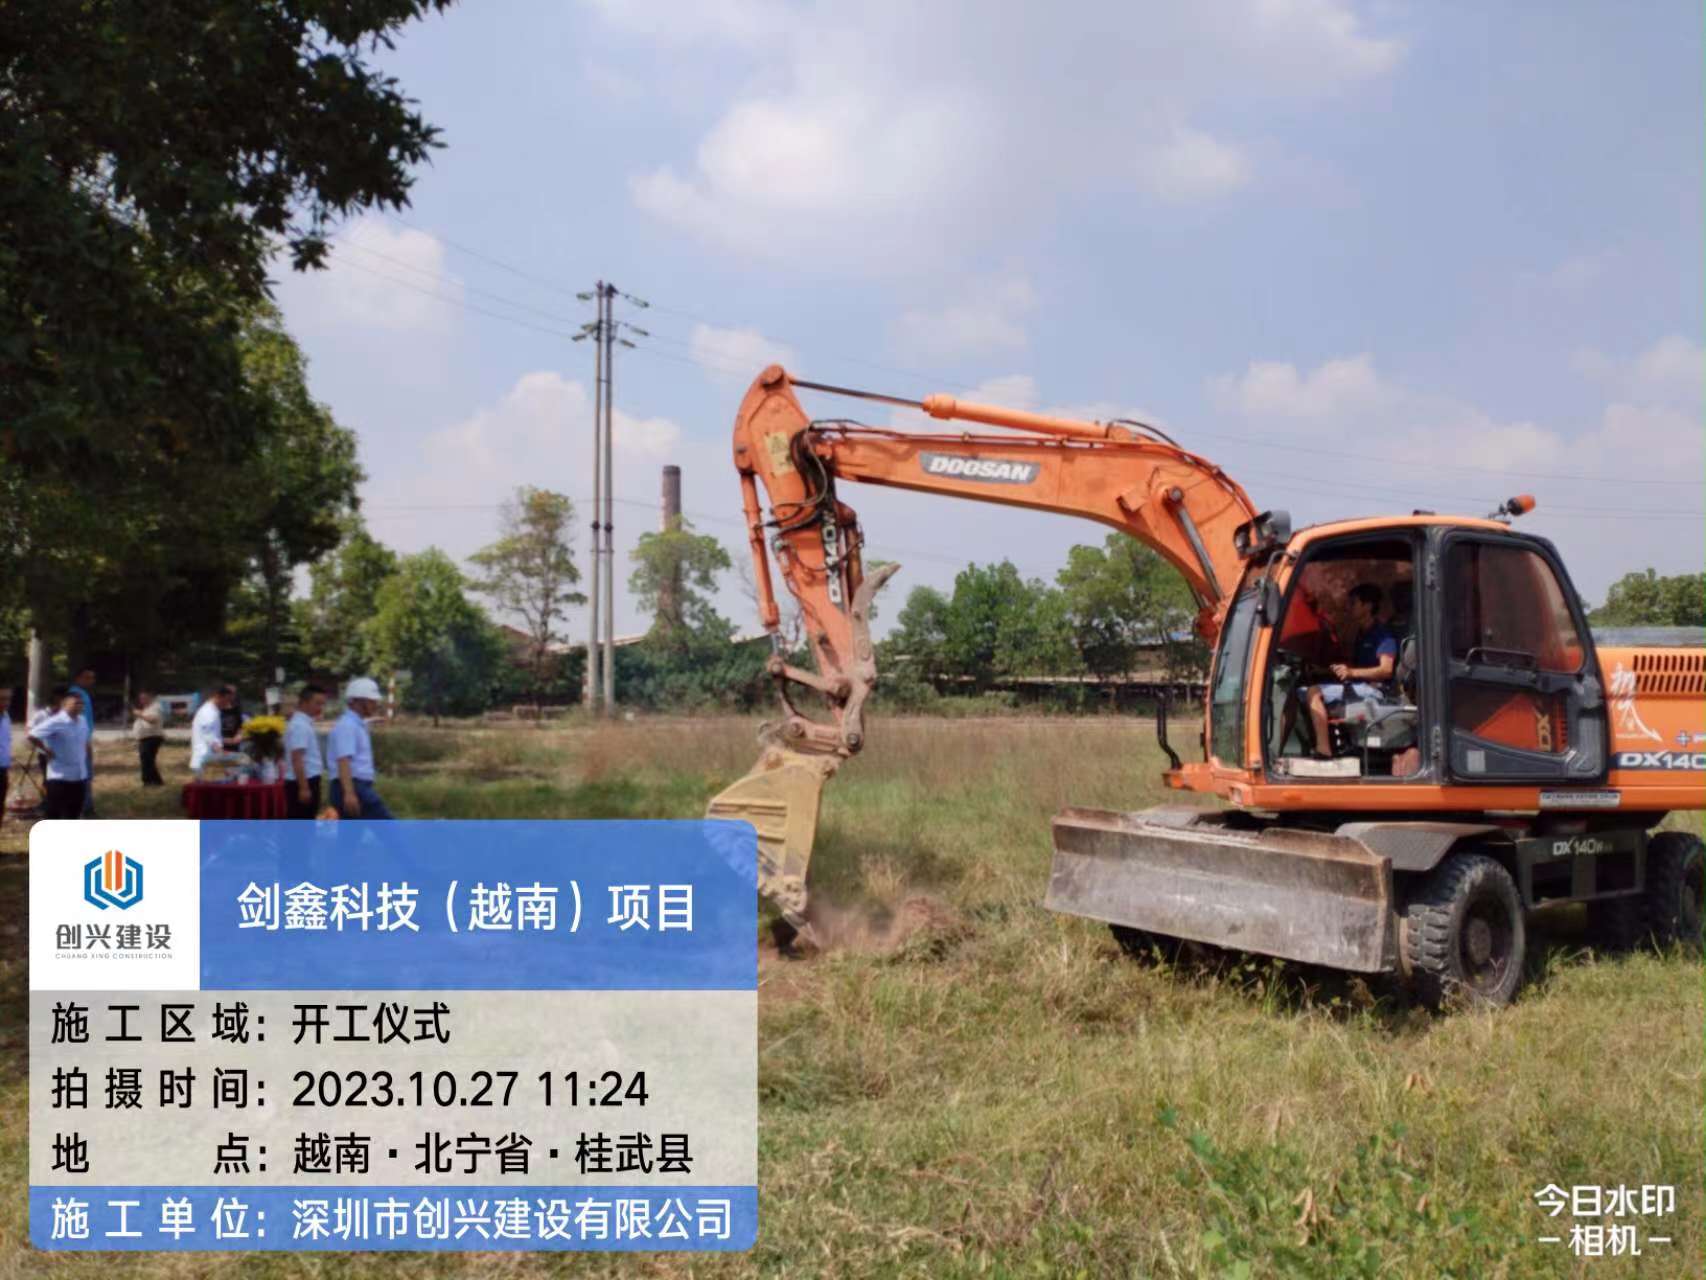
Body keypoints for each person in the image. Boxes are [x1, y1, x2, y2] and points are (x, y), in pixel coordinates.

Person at [1300, 583, 1400, 759]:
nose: (1348, 607)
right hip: (1360, 685)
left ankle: (1324, 750)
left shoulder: (1383, 635)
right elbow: (1355, 667)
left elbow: (1386, 670)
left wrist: (1351, 673)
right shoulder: (1362, 634)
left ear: (1367, 606)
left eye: (1353, 603)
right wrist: (1326, 670)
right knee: (1300, 690)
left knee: (1313, 692)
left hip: (1376, 691)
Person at [326, 677, 393, 820]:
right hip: (353, 786)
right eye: (372, 701)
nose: (375, 705)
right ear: (359, 701)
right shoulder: (347, 726)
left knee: (352, 832)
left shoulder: (355, 724)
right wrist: (349, 794)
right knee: (389, 828)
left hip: (355, 786)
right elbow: (343, 760)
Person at [29, 692, 90, 820]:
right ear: (64, 704)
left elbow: (85, 740)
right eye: (76, 703)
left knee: (74, 813)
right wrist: (46, 750)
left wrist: (86, 752)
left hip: (79, 775)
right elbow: (33, 735)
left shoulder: (82, 721)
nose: (79, 706)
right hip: (60, 776)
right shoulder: (56, 721)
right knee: (54, 814)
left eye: (81, 703)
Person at [285, 683, 329, 819]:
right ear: (304, 702)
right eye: (317, 703)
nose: (320, 708)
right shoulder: (300, 726)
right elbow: (297, 758)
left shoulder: (304, 723)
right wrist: (304, 788)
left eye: (322, 704)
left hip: (307, 780)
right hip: (304, 781)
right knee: (302, 823)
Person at [190, 683, 240, 776]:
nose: (228, 704)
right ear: (218, 696)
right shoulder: (208, 712)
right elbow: (210, 740)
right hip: (205, 760)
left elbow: (214, 737)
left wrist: (230, 741)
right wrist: (224, 756)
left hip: (209, 759)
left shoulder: (214, 710)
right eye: (227, 700)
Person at [71, 667, 96, 815]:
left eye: (92, 678)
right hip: (80, 742)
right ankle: (85, 807)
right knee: (84, 775)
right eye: (87, 678)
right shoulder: (76, 695)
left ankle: (85, 805)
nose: (91, 681)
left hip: (84, 739)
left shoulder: (84, 694)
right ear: (78, 678)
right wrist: (85, 742)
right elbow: (80, 720)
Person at [132, 690, 165, 786]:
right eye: (141, 698)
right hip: (145, 738)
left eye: (144, 698)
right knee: (147, 760)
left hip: (152, 737)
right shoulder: (147, 708)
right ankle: (151, 781)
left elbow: (153, 720)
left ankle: (152, 781)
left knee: (147, 760)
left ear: (150, 697)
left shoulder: (155, 707)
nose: (142, 700)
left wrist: (140, 715)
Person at [0, 688, 12, 824]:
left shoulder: (6, 717)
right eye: (2, 699)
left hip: (3, 767)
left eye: (8, 699)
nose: (6, 702)